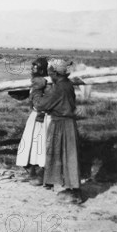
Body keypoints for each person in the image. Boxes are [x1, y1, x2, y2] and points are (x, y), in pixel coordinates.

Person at [31, 59, 82, 204]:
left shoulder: (59, 88)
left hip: (62, 124)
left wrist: (37, 89)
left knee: (67, 156)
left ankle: (74, 193)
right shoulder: (66, 84)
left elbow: (40, 104)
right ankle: (67, 186)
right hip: (65, 123)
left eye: (49, 70)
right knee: (62, 154)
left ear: (53, 72)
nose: (48, 73)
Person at [16, 58, 49, 186]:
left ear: (41, 69)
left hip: (43, 117)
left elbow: (44, 100)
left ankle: (42, 174)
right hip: (34, 117)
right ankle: (31, 171)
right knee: (29, 144)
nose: (32, 69)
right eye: (32, 67)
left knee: (41, 145)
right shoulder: (35, 82)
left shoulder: (47, 82)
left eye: (35, 67)